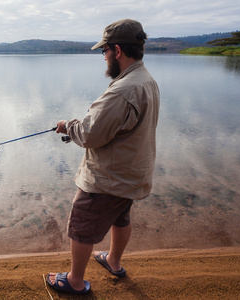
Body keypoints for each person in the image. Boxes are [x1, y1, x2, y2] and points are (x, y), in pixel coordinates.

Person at [46, 19, 160, 294]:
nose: (104, 57)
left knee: (83, 224)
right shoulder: (146, 80)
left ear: (117, 50)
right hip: (131, 173)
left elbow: (90, 134)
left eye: (104, 51)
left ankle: (74, 281)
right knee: (121, 217)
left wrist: (68, 125)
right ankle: (113, 261)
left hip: (108, 178)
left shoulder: (123, 90)